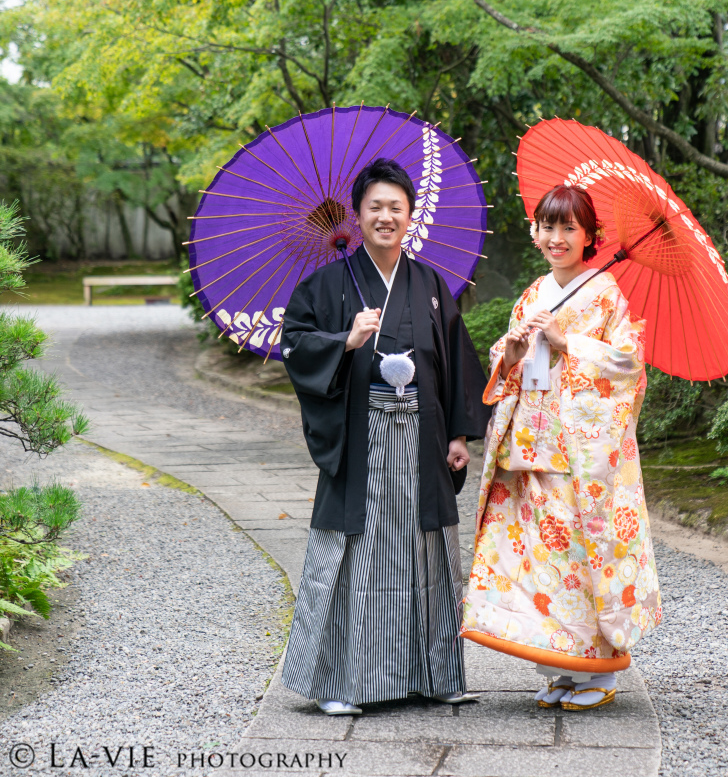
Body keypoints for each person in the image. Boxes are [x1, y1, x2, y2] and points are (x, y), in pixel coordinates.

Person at [280, 157, 490, 715]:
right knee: (356, 557)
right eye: (375, 207)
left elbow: (455, 363)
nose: (386, 216)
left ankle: (437, 674)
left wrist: (460, 434)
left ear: (410, 215)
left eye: (396, 207)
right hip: (361, 437)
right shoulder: (327, 284)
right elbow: (294, 343)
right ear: (358, 213)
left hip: (422, 438)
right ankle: (341, 683)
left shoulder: (428, 285)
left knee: (428, 554)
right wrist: (344, 341)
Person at [461, 184, 661, 710]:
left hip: (580, 450)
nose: (556, 237)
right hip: (531, 442)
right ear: (535, 232)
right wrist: (515, 351)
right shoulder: (533, 294)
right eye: (548, 226)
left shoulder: (606, 292)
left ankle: (598, 672)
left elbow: (627, 365)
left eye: (569, 227)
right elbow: (506, 367)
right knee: (539, 558)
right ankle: (558, 665)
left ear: (589, 235)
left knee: (578, 551)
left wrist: (569, 341)